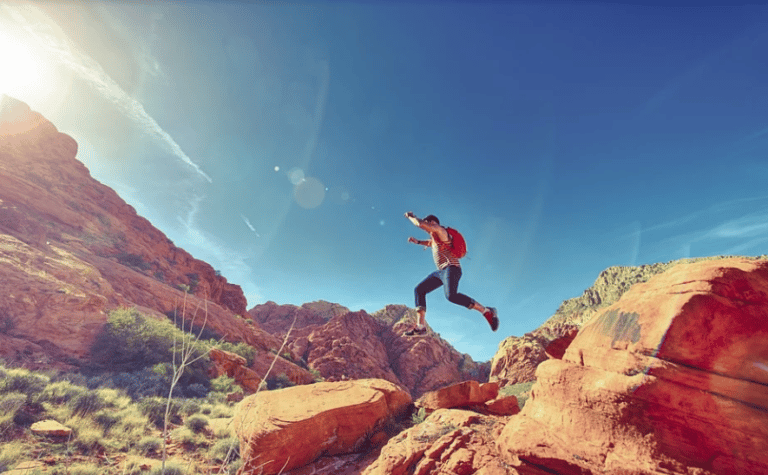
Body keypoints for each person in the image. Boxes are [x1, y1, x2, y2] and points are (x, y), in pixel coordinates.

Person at [403, 211, 498, 336]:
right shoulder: (435, 238)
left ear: (432, 223)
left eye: (428, 224)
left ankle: (486, 311)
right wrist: (418, 242)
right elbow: (430, 243)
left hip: (451, 268)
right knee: (419, 290)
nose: (427, 228)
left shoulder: (441, 230)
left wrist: (411, 217)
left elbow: (420, 224)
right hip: (441, 272)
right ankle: (421, 326)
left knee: (451, 296)